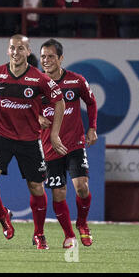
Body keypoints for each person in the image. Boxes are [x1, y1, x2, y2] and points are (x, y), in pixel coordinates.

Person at [0, 34, 67, 250]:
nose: (16, 52)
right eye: (12, 48)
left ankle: (39, 234)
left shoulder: (39, 78)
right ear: (7, 51)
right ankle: (3, 214)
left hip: (29, 139)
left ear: (28, 51)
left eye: (20, 48)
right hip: (1, 136)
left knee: (36, 187)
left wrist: (54, 134)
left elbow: (60, 102)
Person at [38, 39, 97, 248]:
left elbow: (91, 102)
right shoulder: (36, 83)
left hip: (74, 143)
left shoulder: (76, 81)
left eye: (51, 56)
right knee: (58, 192)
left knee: (82, 187)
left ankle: (82, 224)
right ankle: (69, 234)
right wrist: (37, 118)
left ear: (61, 58)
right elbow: (25, 108)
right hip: (49, 146)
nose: (46, 60)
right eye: (43, 56)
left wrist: (92, 128)